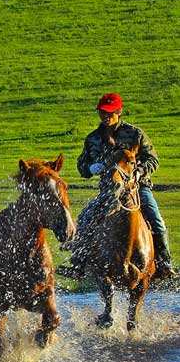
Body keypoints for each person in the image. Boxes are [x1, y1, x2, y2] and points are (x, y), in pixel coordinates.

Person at [68, 93, 172, 279]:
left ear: (119, 112)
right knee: (85, 218)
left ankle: (164, 264)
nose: (105, 116)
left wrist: (139, 171)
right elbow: (81, 166)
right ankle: (79, 263)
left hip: (137, 188)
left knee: (156, 220)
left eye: (109, 113)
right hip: (108, 190)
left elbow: (152, 159)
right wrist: (91, 168)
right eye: (102, 112)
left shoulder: (135, 134)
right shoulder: (92, 139)